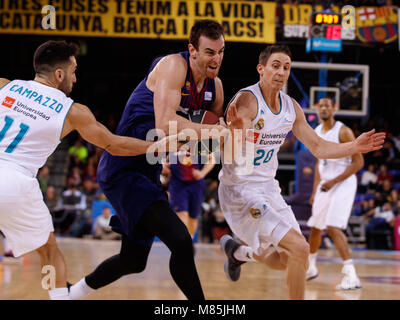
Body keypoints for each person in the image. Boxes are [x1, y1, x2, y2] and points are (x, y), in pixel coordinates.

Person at [69, 19, 242, 301]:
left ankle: (71, 293)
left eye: (222, 51)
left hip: (150, 171)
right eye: (210, 51)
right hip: (123, 166)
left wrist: (231, 128)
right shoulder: (174, 66)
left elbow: (208, 139)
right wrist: (212, 130)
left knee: (134, 261)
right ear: (193, 50)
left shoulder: (216, 88)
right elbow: (164, 125)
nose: (217, 58)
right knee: (182, 241)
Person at [0, 40, 181, 300]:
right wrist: (156, 146)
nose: (75, 78)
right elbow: (114, 144)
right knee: (49, 253)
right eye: (73, 71)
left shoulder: (5, 85)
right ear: (59, 74)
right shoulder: (72, 111)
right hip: (15, 182)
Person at [218, 45, 385, 300]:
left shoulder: (290, 107)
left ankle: (239, 253)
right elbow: (228, 155)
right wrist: (236, 133)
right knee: (299, 248)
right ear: (261, 69)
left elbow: (318, 146)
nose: (281, 72)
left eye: (286, 67)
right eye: (275, 66)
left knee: (290, 259)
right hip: (240, 190)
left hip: (268, 188)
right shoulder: (247, 101)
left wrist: (353, 146)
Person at [305, 97, 364, 290]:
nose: (323, 108)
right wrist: (315, 190)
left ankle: (351, 275)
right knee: (315, 226)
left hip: (344, 182)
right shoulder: (316, 132)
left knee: (332, 227)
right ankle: (311, 267)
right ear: (317, 109)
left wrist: (333, 181)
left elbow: (358, 162)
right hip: (325, 183)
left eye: (327, 106)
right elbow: (318, 162)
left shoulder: (343, 131)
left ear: (334, 109)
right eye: (320, 106)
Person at [167, 151, 215, 237]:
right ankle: (183, 245)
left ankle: (189, 240)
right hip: (178, 184)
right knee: (182, 217)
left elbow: (212, 159)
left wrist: (202, 173)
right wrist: (165, 165)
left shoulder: (202, 141)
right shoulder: (173, 140)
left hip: (196, 184)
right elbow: (162, 158)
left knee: (193, 220)